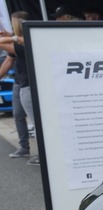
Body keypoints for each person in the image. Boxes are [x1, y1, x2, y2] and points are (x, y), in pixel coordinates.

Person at [0, 11, 35, 164]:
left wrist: (7, 36)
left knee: (35, 121)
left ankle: (44, 154)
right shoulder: (18, 42)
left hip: (29, 83)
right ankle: (24, 148)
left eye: (14, 23)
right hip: (19, 82)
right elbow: (8, 62)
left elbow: (8, 43)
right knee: (18, 115)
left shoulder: (29, 40)